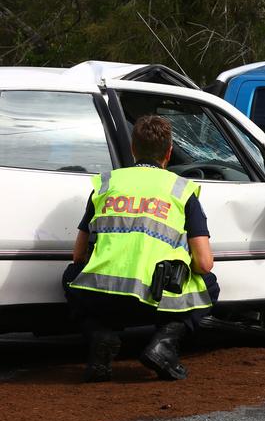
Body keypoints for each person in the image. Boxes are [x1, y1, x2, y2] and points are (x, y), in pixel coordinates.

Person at [63, 115, 219, 382]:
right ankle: (164, 345)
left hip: (102, 298)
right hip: (156, 300)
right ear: (169, 152)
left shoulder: (107, 184)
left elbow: (78, 255)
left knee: (70, 276)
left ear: (133, 149)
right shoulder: (181, 190)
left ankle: (100, 335)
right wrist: (180, 268)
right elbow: (204, 263)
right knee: (209, 283)